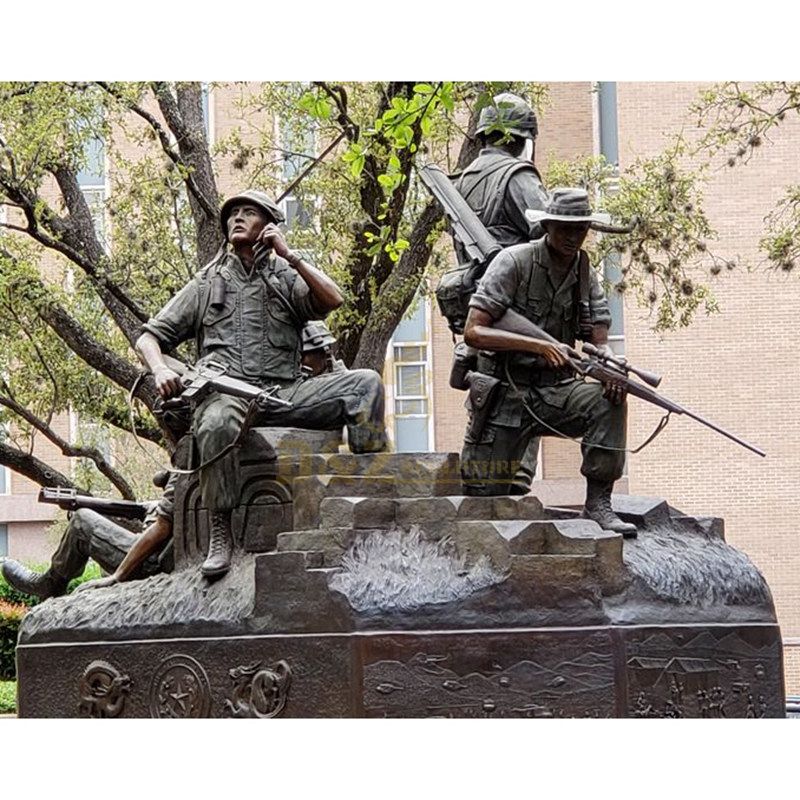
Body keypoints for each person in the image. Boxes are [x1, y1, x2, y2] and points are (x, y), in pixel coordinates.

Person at [135, 190, 386, 579]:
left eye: (247, 212)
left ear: (267, 225)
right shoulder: (206, 282)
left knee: (365, 385)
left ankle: (371, 493)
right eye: (232, 214)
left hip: (284, 393)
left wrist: (289, 255)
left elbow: (333, 299)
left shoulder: (286, 276)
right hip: (228, 393)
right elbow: (149, 337)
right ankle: (221, 531)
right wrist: (160, 370)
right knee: (215, 424)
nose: (236, 218)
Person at [460, 187, 637, 537]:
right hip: (504, 397)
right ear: (548, 226)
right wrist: (538, 346)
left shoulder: (585, 272)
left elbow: (599, 341)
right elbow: (474, 332)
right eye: (565, 228)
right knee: (483, 503)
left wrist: (613, 368)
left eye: (581, 229)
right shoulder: (513, 262)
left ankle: (599, 503)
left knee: (608, 402)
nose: (573, 237)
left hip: (555, 391)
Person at [455, 92, 547, 493]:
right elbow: (547, 232)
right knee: (530, 389)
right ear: (520, 138)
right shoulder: (518, 176)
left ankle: (488, 479)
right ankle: (516, 480)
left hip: (476, 302)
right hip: (516, 306)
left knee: (488, 394)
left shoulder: (462, 182)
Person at [0, 476, 175, 599]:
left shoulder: (185, 464)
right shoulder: (195, 462)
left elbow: (162, 527)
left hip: (149, 561)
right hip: (158, 553)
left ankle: (50, 584)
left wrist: (118, 576)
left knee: (82, 521)